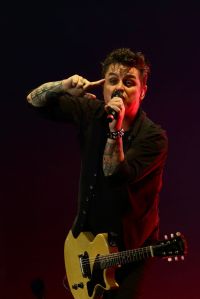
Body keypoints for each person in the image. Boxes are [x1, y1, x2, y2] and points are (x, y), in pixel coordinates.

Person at [26, 48, 168, 299]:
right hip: (87, 243)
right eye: (113, 81)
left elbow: (115, 174)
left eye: (129, 82)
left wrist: (115, 131)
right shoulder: (93, 113)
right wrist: (64, 85)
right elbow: (34, 102)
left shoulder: (153, 138)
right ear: (103, 88)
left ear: (143, 91)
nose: (119, 88)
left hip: (130, 246)